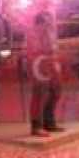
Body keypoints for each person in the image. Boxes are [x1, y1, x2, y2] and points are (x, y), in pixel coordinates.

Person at [26, 8, 64, 137]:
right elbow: (35, 51)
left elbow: (54, 47)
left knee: (56, 91)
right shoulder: (34, 32)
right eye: (47, 21)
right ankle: (36, 126)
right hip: (39, 64)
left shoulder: (50, 31)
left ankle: (49, 121)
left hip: (51, 63)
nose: (51, 22)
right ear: (40, 22)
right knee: (40, 94)